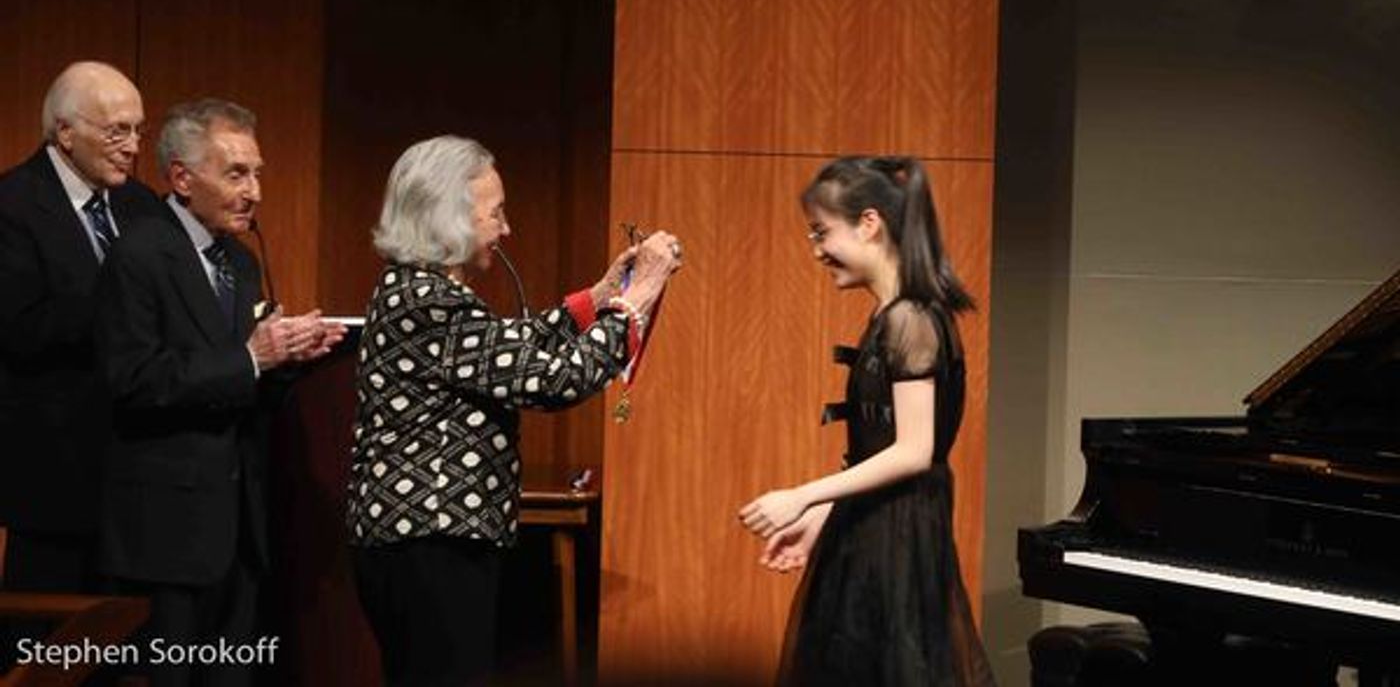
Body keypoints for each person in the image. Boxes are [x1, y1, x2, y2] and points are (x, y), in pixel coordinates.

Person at [346, 135, 682, 687]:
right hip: (431, 542)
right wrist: (637, 298)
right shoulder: (430, 301)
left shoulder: (416, 291)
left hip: (423, 542)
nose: (507, 229)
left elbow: (508, 348)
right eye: (495, 213)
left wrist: (600, 297)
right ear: (450, 216)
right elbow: (555, 379)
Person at [95, 98, 345, 687]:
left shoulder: (239, 260)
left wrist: (289, 359)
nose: (254, 191)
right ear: (182, 178)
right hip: (165, 536)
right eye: (236, 174)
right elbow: (133, 380)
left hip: (239, 531)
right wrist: (252, 357)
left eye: (257, 173)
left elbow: (241, 382)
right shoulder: (137, 255)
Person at [739, 156, 996, 686]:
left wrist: (802, 495)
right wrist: (821, 517)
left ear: (869, 223)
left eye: (821, 232)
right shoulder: (890, 315)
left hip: (898, 537)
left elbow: (913, 451)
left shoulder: (911, 319)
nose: (816, 250)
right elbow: (877, 449)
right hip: (875, 528)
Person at [0, 61, 163, 603]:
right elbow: (21, 328)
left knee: (125, 634)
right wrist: (124, 297)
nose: (133, 146)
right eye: (117, 131)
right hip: (54, 472)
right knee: (47, 638)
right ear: (65, 132)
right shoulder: (12, 205)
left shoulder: (142, 206)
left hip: (137, 473)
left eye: (138, 130)